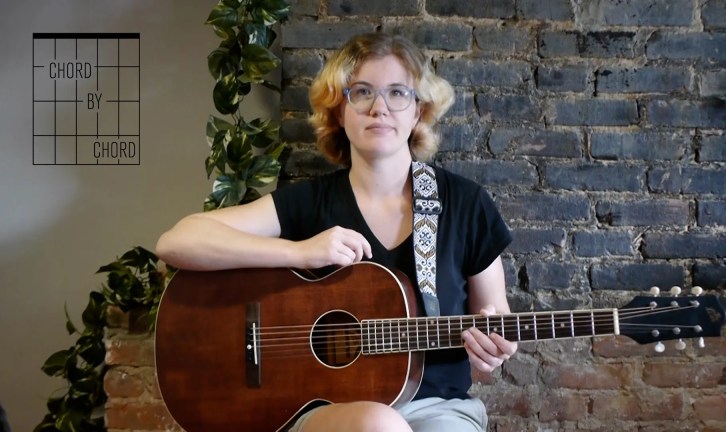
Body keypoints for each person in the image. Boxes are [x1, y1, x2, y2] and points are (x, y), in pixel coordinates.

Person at [156, 32, 517, 432]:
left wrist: (494, 350)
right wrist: (300, 253)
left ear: (418, 111)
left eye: (398, 93)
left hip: (440, 407)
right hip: (327, 410)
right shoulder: (310, 203)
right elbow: (176, 242)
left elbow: (495, 316)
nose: (379, 108)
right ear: (339, 110)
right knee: (377, 424)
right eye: (362, 92)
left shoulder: (465, 204)